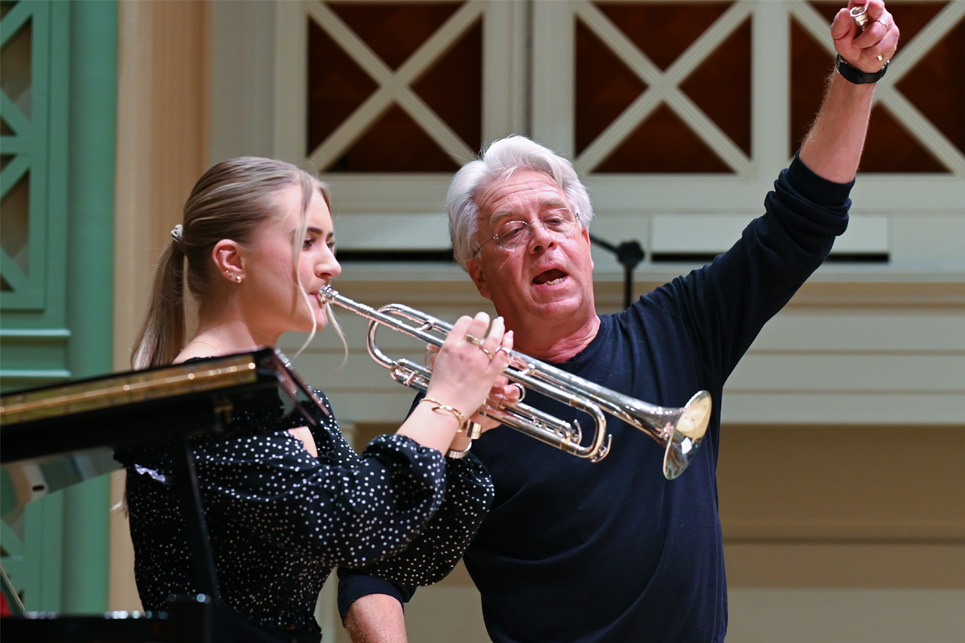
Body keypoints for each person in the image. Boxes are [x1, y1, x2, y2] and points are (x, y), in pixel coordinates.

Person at [337, 2, 900, 641]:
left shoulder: (678, 327)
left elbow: (802, 224)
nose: (543, 242)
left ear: (583, 237)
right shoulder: (457, 401)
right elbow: (370, 568)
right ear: (479, 274)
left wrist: (856, 77)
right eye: (511, 231)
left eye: (556, 221)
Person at [117, 156, 516, 640]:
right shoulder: (202, 399)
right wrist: (443, 401)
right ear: (231, 261)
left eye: (329, 243)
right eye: (307, 242)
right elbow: (347, 520)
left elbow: (392, 553)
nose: (332, 265)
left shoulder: (289, 399)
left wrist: (458, 434)